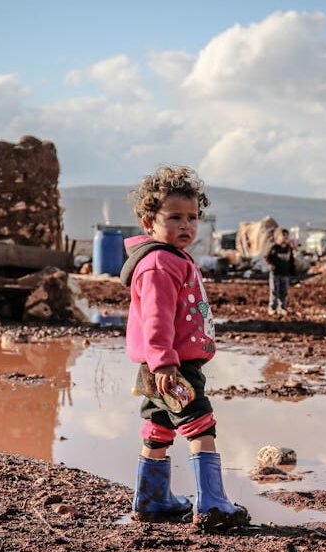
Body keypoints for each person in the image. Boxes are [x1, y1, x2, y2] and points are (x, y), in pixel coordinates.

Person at [120, 166, 250, 530]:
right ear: (148, 221)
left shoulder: (173, 258)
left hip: (162, 364)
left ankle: (151, 500)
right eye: (174, 217)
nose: (186, 225)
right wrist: (164, 363)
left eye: (192, 217)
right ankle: (212, 504)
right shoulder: (160, 263)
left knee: (159, 425)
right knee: (200, 425)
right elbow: (156, 318)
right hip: (172, 365)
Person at [265, 227, 296, 315]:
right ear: (278, 237)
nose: (285, 238)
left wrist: (293, 272)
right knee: (275, 291)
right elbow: (267, 257)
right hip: (276, 273)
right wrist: (271, 266)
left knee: (284, 291)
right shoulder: (275, 248)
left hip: (285, 274)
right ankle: (272, 308)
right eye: (283, 236)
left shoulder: (288, 249)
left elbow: (291, 260)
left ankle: (282, 307)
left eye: (287, 236)